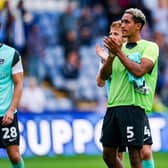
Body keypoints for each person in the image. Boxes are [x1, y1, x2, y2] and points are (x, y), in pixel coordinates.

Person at [99, 8, 159, 168]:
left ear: (138, 26)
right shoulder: (118, 49)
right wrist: (111, 56)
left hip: (133, 107)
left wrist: (118, 52)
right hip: (113, 106)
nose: (123, 25)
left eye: (127, 22)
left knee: (136, 155)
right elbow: (104, 76)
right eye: (122, 21)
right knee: (108, 154)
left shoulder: (149, 47)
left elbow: (139, 71)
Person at [0, 22, 24, 167]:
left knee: (14, 156)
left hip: (6, 114)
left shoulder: (11, 54)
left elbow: (19, 83)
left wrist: (11, 109)